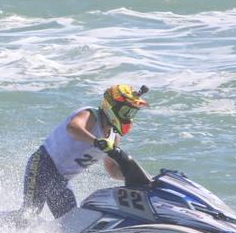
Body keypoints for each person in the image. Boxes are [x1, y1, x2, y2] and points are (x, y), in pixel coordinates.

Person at [21, 84, 149, 219]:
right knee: (29, 214)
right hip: (43, 165)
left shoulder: (113, 137)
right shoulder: (91, 115)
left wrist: (135, 177)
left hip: (60, 181)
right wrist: (96, 141)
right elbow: (73, 127)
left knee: (71, 223)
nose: (129, 117)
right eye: (126, 112)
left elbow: (111, 168)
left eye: (132, 113)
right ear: (112, 107)